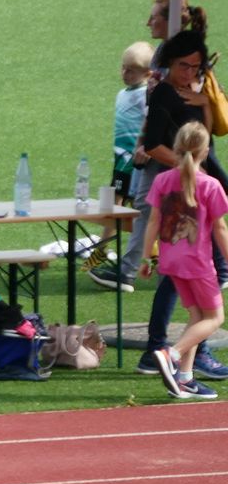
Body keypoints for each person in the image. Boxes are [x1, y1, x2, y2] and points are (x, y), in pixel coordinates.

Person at [131, 30, 228, 380]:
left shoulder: (192, 93)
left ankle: (183, 357)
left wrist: (204, 103)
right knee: (189, 277)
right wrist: (187, 169)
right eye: (184, 66)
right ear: (170, 63)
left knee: (185, 279)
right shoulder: (163, 95)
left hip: (198, 187)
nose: (190, 73)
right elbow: (153, 144)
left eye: (196, 67)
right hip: (188, 196)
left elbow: (210, 135)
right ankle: (171, 350)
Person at [140, 121, 228, 399]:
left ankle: (185, 379)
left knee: (197, 316)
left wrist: (146, 258)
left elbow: (153, 221)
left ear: (176, 148)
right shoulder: (210, 185)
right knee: (215, 317)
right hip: (198, 263)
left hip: (171, 262)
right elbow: (220, 229)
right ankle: (172, 355)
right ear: (205, 151)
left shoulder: (162, 180)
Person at [89, 41, 159, 293]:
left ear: (147, 73)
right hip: (121, 162)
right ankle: (103, 249)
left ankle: (149, 254)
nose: (125, 73)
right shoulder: (122, 94)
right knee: (115, 205)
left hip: (136, 163)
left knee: (138, 210)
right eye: (123, 68)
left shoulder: (145, 95)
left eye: (132, 70)